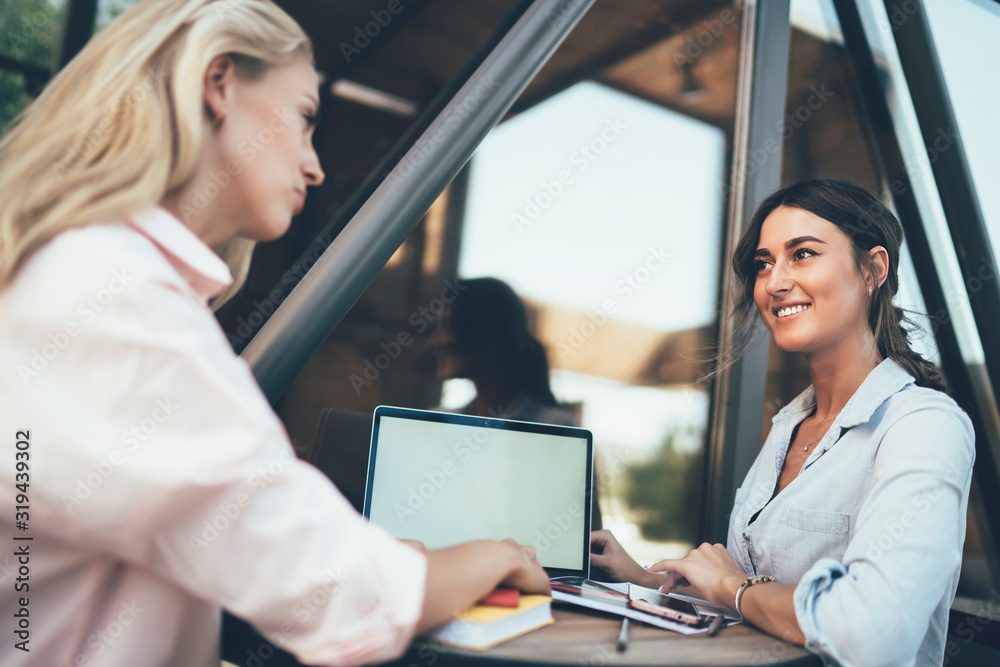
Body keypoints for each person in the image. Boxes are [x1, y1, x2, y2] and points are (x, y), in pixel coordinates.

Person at [0, 2, 548, 666]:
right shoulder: (115, 298)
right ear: (219, 81)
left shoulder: (88, 274)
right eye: (307, 118)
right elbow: (337, 595)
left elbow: (248, 536)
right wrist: (499, 553)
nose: (315, 167)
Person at [590, 178, 975, 666]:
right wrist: (648, 579)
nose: (774, 282)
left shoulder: (923, 425)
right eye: (764, 263)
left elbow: (869, 633)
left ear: (874, 269)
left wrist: (733, 585)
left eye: (804, 254)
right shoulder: (789, 426)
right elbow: (751, 609)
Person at [431, 277, 578, 426]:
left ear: (485, 332)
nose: (436, 341)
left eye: (447, 327)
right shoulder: (439, 421)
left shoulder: (555, 426)